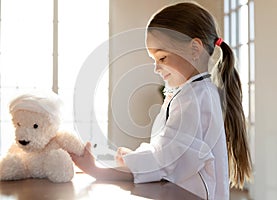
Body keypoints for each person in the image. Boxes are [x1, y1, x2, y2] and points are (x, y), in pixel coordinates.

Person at [71, 2, 252, 199]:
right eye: (153, 60)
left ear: (194, 49)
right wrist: (132, 158)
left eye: (162, 58)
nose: (156, 68)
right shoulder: (192, 93)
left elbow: (166, 162)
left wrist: (97, 171)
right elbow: (168, 148)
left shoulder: (195, 99)